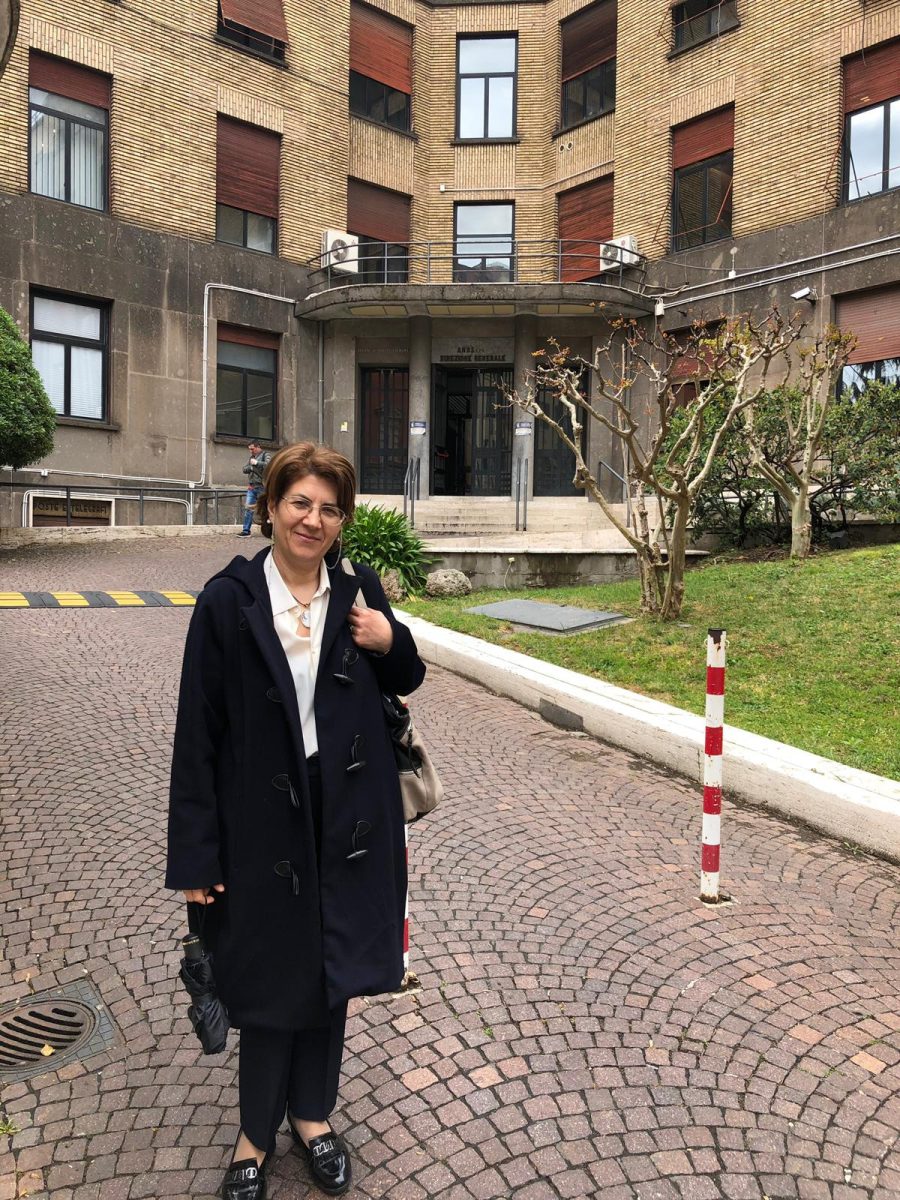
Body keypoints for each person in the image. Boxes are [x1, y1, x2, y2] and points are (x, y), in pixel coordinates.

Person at [166, 442, 426, 1199]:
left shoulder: (357, 588)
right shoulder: (229, 601)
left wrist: (389, 639)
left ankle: (312, 1116)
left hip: (349, 813)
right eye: (300, 503)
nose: (313, 520)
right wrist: (196, 857)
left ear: (343, 520)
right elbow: (197, 735)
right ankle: (255, 1132)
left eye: (330, 508)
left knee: (332, 965)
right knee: (269, 974)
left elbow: (407, 675)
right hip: (260, 819)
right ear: (272, 507)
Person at [239, 441, 272, 536]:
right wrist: (251, 468)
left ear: (258, 447)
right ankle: (246, 531)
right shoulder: (251, 457)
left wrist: (257, 463)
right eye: (249, 449)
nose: (251, 451)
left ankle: (268, 529)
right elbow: (244, 469)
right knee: (248, 508)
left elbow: (268, 465)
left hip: (262, 487)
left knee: (265, 509)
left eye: (252, 449)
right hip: (252, 487)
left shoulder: (266, 455)